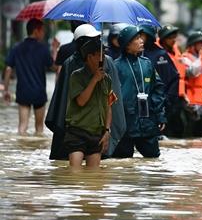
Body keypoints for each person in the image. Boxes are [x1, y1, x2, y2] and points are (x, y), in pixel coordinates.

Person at [46, 24, 126, 160]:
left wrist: (107, 131)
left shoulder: (107, 63)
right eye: (92, 39)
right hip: (76, 128)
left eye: (97, 39)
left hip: (97, 128)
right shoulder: (70, 65)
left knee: (94, 175)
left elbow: (111, 102)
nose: (96, 43)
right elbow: (65, 99)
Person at [112, 26, 166, 158]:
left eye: (140, 37)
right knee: (122, 163)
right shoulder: (115, 66)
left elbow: (157, 89)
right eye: (136, 38)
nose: (141, 40)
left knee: (153, 159)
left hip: (147, 122)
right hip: (125, 125)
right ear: (127, 45)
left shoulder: (147, 64)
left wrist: (160, 115)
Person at [63, 38, 114, 168]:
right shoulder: (76, 76)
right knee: (75, 174)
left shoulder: (106, 79)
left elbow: (109, 106)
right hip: (77, 131)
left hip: (96, 134)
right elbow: (81, 101)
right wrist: (94, 79)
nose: (103, 58)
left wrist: (107, 131)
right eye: (100, 55)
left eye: (104, 55)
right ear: (90, 57)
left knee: (93, 178)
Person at [3, 18, 55, 135]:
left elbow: (8, 68)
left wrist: (6, 90)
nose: (44, 33)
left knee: (22, 127)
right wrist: (55, 49)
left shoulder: (17, 47)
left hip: (23, 92)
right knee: (39, 129)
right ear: (36, 31)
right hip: (39, 93)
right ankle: (36, 151)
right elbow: (54, 67)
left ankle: (22, 148)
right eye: (42, 30)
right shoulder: (43, 49)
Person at [157, 24, 189, 138]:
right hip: (165, 94)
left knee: (179, 126)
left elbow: (180, 74)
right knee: (166, 125)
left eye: (174, 37)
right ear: (163, 39)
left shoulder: (176, 50)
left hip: (178, 94)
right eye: (170, 38)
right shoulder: (158, 53)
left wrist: (183, 94)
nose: (173, 40)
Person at [180, 31, 202, 137]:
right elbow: (192, 72)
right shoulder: (184, 58)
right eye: (200, 43)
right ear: (193, 45)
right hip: (192, 102)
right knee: (192, 133)